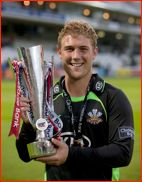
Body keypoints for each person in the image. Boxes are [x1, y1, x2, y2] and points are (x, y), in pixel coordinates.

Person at [17, 20, 134, 181]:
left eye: (83, 49)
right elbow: (24, 154)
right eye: (69, 49)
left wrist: (71, 155)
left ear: (94, 53)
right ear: (59, 52)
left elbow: (123, 153)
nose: (76, 56)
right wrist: (29, 126)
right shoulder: (45, 99)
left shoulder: (113, 97)